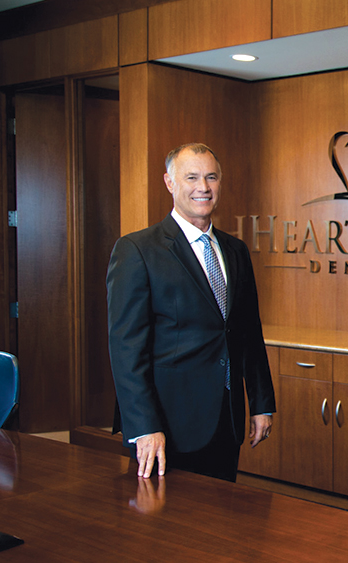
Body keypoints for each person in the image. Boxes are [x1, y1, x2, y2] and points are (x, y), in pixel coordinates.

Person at [107, 143, 275, 482]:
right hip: (166, 426)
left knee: (221, 525)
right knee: (163, 528)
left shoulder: (235, 249)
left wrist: (261, 402)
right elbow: (126, 349)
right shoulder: (137, 250)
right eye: (192, 177)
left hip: (225, 420)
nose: (203, 187)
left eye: (211, 177)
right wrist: (144, 427)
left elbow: (247, 332)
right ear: (170, 182)